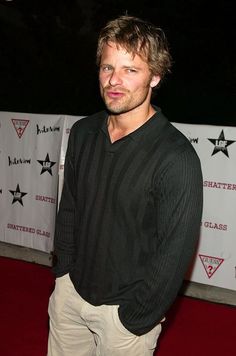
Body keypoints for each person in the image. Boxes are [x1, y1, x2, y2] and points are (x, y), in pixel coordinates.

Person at [47, 15, 203, 356]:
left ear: (156, 76)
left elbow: (174, 252)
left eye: (130, 70)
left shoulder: (176, 157)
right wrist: (63, 276)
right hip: (70, 300)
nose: (114, 80)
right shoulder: (84, 133)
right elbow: (70, 209)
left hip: (125, 320)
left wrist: (136, 318)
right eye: (107, 68)